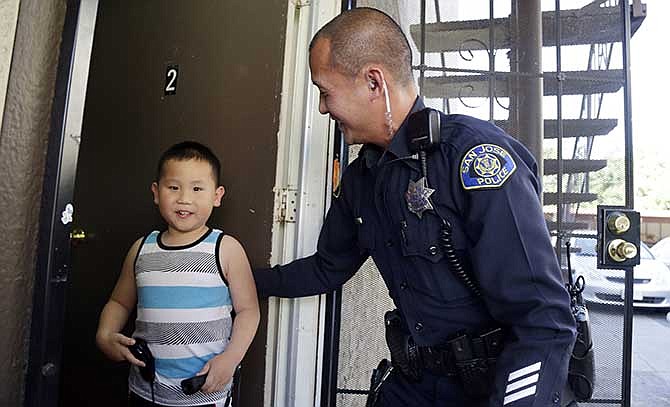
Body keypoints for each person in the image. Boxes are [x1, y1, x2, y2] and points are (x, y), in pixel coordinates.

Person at [253, 7, 576, 407]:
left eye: (325, 91)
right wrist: (238, 280)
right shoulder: (362, 180)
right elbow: (327, 267)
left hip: (487, 389)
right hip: (413, 384)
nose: (322, 108)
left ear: (374, 82)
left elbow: (543, 322)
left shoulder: (471, 158)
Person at [96, 141, 260, 407]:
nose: (184, 198)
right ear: (156, 192)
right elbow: (119, 302)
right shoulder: (141, 249)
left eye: (197, 188)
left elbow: (248, 311)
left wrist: (230, 359)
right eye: (173, 187)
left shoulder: (226, 249)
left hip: (206, 393)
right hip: (145, 392)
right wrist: (105, 334)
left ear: (217, 196)